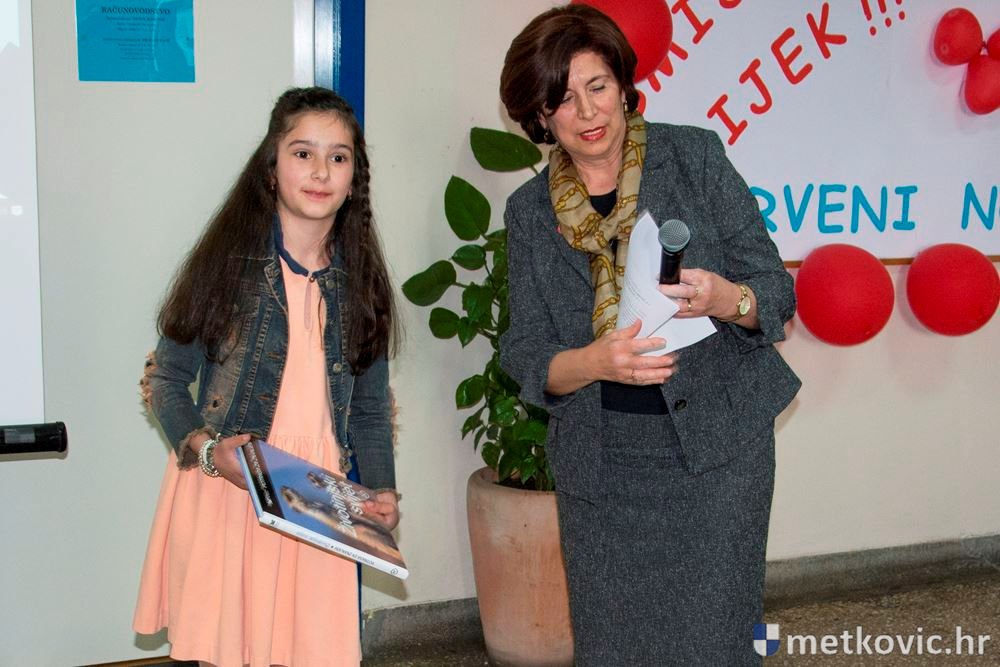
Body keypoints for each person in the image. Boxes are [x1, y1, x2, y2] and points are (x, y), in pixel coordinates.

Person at [498, 6, 801, 665]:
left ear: (622, 84)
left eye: (598, 86)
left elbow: (775, 288)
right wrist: (592, 361)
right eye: (563, 99)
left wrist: (728, 299)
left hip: (718, 453)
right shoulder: (528, 212)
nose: (587, 112)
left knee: (716, 642)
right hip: (605, 465)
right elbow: (525, 352)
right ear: (540, 117)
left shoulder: (693, 156)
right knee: (614, 644)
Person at [133, 87, 401, 667]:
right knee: (230, 651)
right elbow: (165, 380)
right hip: (229, 490)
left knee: (315, 652)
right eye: (303, 153)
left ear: (354, 179)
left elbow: (372, 409)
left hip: (317, 497)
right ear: (271, 167)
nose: (320, 171)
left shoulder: (364, 284)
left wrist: (382, 491)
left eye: (338, 156)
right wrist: (209, 453)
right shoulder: (224, 268)